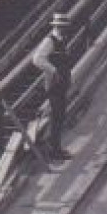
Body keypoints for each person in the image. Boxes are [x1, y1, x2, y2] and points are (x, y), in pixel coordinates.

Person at [30, 12, 74, 158]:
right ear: (56, 26)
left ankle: (55, 147)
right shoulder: (50, 41)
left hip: (61, 83)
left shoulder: (61, 40)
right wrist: (53, 70)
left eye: (65, 27)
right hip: (54, 84)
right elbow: (37, 59)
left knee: (60, 116)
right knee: (57, 116)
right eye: (61, 26)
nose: (64, 29)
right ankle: (54, 150)